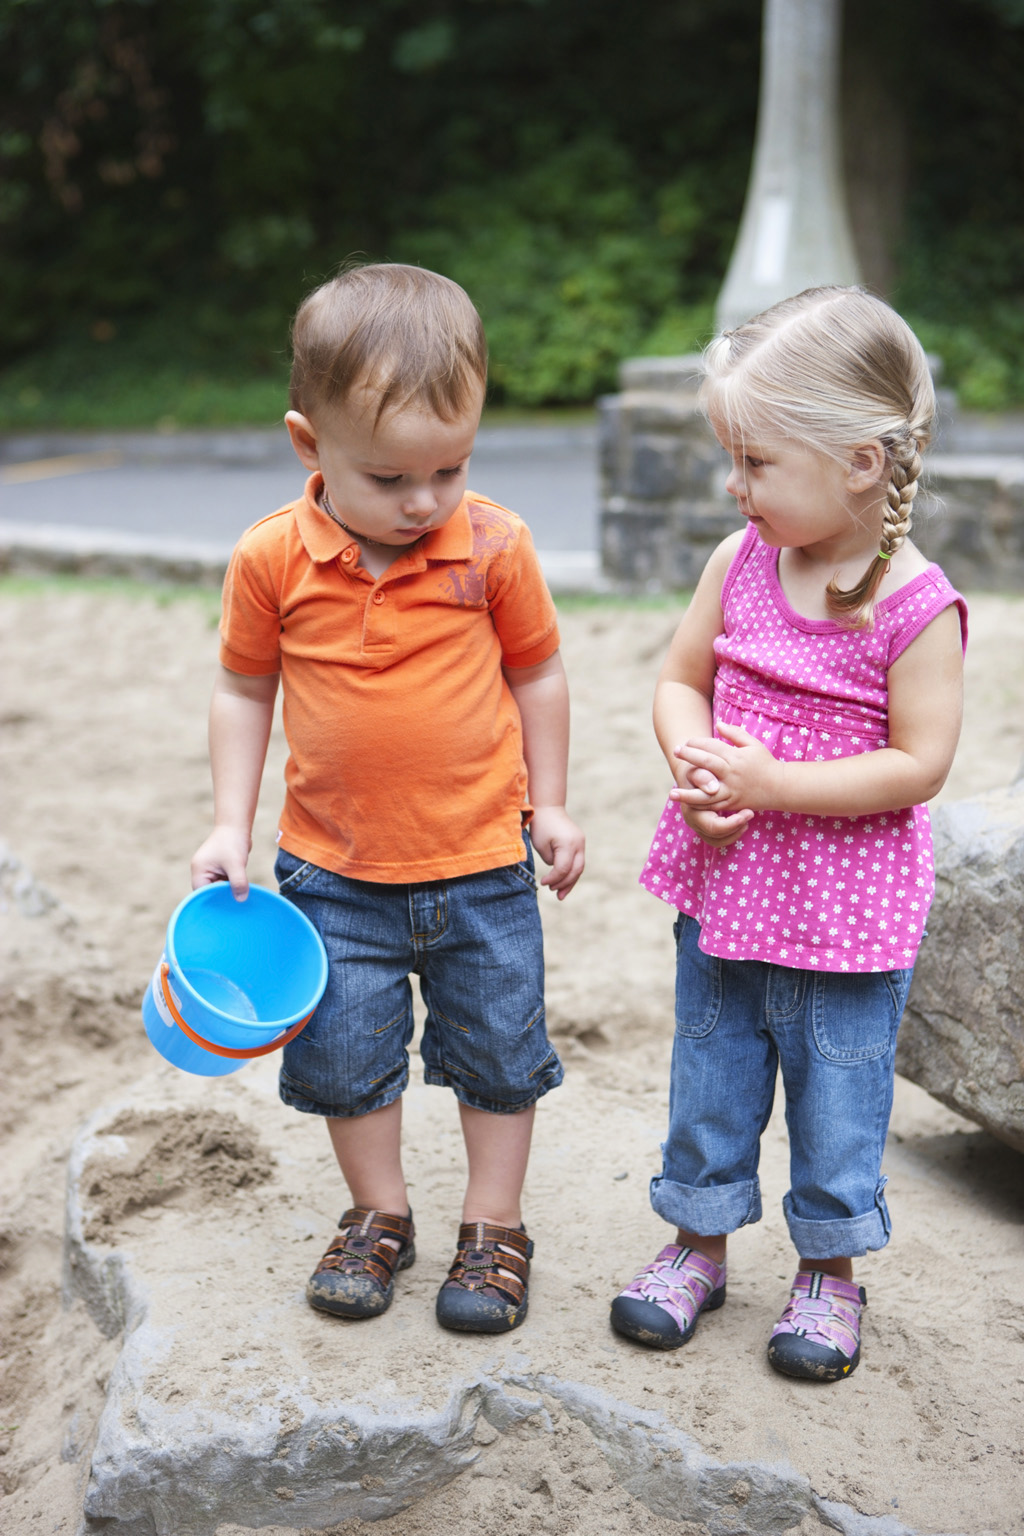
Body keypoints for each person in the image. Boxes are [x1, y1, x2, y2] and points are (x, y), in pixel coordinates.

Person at [190, 263, 585, 1335]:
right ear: (308, 445)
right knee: (346, 1055)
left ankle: (493, 1226)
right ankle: (379, 1214)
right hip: (332, 873)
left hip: (482, 864)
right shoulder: (272, 556)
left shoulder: (492, 543)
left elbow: (537, 673)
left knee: (500, 1050)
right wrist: (230, 823)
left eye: (448, 469)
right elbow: (244, 687)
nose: (423, 502)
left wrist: (548, 803)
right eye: (392, 479)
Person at [610, 286, 966, 1381]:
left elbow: (918, 764)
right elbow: (679, 681)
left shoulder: (914, 608)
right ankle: (698, 1246)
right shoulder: (740, 563)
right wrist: (697, 760)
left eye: (756, 462)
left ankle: (829, 1276)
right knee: (710, 1075)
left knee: (838, 1095)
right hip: (724, 889)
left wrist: (776, 780)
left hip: (846, 918)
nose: (735, 484)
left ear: (859, 461)